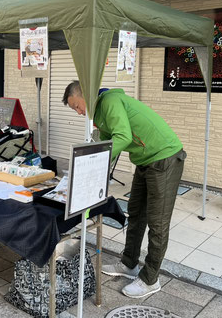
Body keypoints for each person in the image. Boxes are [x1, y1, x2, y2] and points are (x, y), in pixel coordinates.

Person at [63, 81, 186, 298]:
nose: (79, 112)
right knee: (136, 213)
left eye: (77, 105)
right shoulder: (99, 113)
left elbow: (122, 138)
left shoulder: (110, 101)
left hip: (165, 157)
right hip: (144, 160)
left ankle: (150, 279)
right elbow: (102, 142)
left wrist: (97, 160)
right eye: (74, 109)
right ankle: (129, 264)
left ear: (85, 95)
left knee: (157, 222)